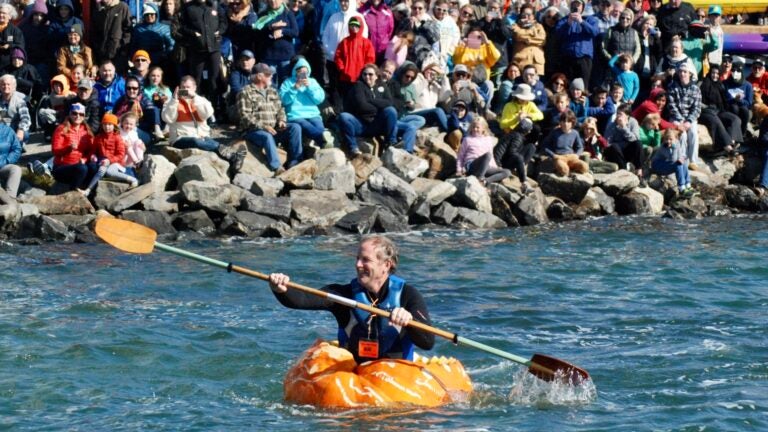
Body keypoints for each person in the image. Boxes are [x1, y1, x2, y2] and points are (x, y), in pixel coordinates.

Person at [268, 235, 435, 363]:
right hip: (354, 371)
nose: (358, 265)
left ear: (386, 265)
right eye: (357, 259)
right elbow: (302, 299)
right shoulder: (343, 295)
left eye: (366, 260)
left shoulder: (408, 295)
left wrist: (409, 321)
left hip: (395, 372)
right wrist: (281, 289)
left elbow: (428, 342)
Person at [162, 75, 246, 174]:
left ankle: (233, 160)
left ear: (194, 88)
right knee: (197, 142)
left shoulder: (202, 100)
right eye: (183, 87)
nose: (185, 90)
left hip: (202, 136)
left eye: (188, 87)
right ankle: (232, 155)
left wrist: (194, 98)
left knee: (209, 142)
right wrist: (174, 100)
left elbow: (207, 113)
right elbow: (168, 118)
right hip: (180, 138)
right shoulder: (171, 102)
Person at [237, 63, 302, 174]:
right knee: (266, 136)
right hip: (253, 131)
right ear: (259, 76)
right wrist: (264, 127)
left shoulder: (272, 91)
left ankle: (294, 162)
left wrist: (281, 120)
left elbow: (280, 108)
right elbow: (245, 116)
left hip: (273, 129)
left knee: (295, 127)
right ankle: (277, 168)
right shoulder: (245, 92)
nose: (271, 76)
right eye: (268, 74)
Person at [338, 64, 398, 156]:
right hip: (361, 124)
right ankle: (353, 147)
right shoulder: (358, 86)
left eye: (370, 74)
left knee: (391, 110)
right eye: (364, 74)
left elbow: (389, 102)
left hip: (376, 124)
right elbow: (362, 106)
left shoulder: (382, 85)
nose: (367, 77)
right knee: (344, 117)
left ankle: (391, 143)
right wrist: (379, 107)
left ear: (376, 76)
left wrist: (370, 101)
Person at [279, 57, 332, 149]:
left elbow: (319, 99)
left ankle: (324, 143)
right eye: (300, 72)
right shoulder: (287, 82)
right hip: (296, 114)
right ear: (296, 71)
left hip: (313, 114)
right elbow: (283, 101)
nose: (303, 74)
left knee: (319, 126)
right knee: (311, 128)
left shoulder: (312, 81)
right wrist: (294, 88)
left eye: (305, 72)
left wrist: (309, 88)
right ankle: (324, 139)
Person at [51, 103, 98, 193]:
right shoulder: (61, 128)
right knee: (82, 169)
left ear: (84, 116)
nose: (77, 116)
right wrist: (69, 148)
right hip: (62, 167)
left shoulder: (87, 131)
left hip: (80, 166)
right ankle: (73, 193)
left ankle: (87, 191)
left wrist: (85, 158)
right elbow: (55, 151)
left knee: (93, 167)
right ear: (69, 114)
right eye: (74, 113)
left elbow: (91, 150)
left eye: (81, 114)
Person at [699, 65, 743, 153]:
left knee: (735, 119)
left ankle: (732, 142)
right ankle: (727, 148)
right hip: (705, 111)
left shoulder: (720, 85)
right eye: (713, 73)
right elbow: (698, 101)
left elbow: (724, 100)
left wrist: (735, 99)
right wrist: (707, 107)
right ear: (709, 73)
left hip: (719, 110)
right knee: (716, 121)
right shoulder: (703, 83)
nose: (715, 75)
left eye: (717, 74)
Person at [667, 63, 701, 170]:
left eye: (685, 72)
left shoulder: (696, 89)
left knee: (693, 134)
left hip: (690, 118)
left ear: (690, 74)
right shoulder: (672, 87)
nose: (682, 74)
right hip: (676, 117)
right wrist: (681, 121)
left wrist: (689, 121)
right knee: (682, 135)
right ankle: (682, 159)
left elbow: (697, 108)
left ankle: (693, 161)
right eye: (680, 71)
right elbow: (671, 106)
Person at [456, 116, 511, 184]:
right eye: (473, 127)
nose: (475, 129)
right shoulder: (467, 139)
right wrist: (459, 169)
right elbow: (460, 156)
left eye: (477, 127)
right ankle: (480, 178)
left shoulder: (488, 139)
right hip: (472, 165)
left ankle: (485, 181)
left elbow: (491, 157)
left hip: (485, 167)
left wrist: (496, 168)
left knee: (507, 172)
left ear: (483, 128)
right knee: (487, 155)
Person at [541, 109, 589, 176]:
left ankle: (573, 171)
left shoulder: (575, 133)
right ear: (560, 122)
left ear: (572, 122)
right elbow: (545, 146)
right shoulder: (555, 132)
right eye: (563, 121)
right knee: (564, 169)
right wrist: (553, 155)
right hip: (559, 157)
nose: (566, 124)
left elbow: (580, 147)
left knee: (584, 167)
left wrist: (577, 154)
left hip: (571, 156)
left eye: (568, 121)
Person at [334, 17, 375, 94]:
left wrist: (364, 72)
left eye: (356, 25)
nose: (354, 28)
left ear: (361, 26)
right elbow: (338, 56)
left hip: (361, 77)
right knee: (346, 98)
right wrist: (342, 68)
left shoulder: (366, 43)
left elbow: (370, 59)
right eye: (352, 25)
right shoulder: (344, 42)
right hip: (345, 77)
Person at [494, 118, 536, 192]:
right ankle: (524, 183)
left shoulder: (515, 134)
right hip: (500, 163)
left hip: (505, 158)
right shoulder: (517, 137)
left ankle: (520, 167)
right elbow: (511, 152)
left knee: (531, 147)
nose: (530, 131)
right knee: (518, 158)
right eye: (529, 129)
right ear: (525, 129)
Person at [651, 128, 695, 197]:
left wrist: (682, 158)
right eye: (666, 139)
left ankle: (688, 185)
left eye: (671, 139)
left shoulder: (677, 143)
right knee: (678, 164)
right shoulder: (663, 146)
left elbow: (680, 155)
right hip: (657, 165)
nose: (668, 141)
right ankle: (681, 188)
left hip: (665, 163)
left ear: (675, 138)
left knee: (683, 162)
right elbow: (673, 159)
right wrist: (674, 148)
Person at [91, 0, 132, 70]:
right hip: (102, 55)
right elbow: (95, 32)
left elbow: (128, 31)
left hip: (118, 54)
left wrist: (123, 50)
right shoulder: (98, 9)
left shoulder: (122, 7)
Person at [510, 3, 546, 76]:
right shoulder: (515, 25)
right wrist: (533, 34)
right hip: (521, 62)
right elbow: (519, 35)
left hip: (537, 63)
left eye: (529, 15)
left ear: (533, 16)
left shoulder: (539, 26)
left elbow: (542, 40)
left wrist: (528, 40)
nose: (526, 17)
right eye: (524, 15)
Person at [0, 75, 31, 147]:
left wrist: (20, 129)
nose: (6, 86)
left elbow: (26, 119)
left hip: (16, 128)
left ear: (14, 86)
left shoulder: (20, 100)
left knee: (25, 134)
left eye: (8, 84)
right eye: (3, 84)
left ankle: (19, 145)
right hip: (3, 128)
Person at [118, 112, 146, 177]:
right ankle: (137, 163)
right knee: (127, 145)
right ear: (122, 123)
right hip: (123, 158)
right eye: (126, 123)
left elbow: (137, 146)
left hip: (131, 159)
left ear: (134, 125)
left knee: (139, 142)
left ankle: (140, 162)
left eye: (131, 124)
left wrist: (143, 148)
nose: (128, 126)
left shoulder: (133, 133)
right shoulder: (118, 132)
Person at [0, 122, 21, 203]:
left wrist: (7, 160)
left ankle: (10, 200)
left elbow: (16, 149)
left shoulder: (8, 131)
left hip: (3, 165)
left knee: (16, 169)